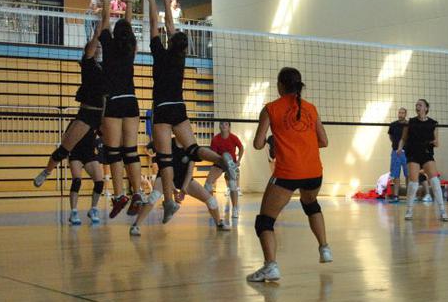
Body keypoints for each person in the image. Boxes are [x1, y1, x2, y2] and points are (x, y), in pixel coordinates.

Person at [141, 0, 237, 223]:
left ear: (171, 42)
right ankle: (221, 159)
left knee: (164, 159)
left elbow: (155, 25)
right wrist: (165, 0)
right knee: (193, 149)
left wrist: (152, 0)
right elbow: (169, 27)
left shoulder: (159, 53)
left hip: (162, 108)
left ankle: (169, 202)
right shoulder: (180, 57)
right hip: (179, 107)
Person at [247, 67, 331, 282]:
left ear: (280, 86)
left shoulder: (270, 109)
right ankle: (324, 249)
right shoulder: (311, 108)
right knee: (310, 204)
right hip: (314, 172)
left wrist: (277, 141)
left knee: (264, 221)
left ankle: (270, 266)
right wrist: (302, 143)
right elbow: (324, 141)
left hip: (287, 173)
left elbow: (258, 144)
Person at [34, 0, 108, 191]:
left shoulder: (108, 67)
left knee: (117, 150)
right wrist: (98, 30)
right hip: (87, 113)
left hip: (104, 115)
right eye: (96, 47)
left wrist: (106, 10)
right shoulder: (88, 63)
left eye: (100, 48)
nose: (98, 49)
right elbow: (94, 42)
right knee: (64, 149)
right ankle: (46, 171)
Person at [98, 0, 144, 218]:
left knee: (113, 152)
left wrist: (107, 4)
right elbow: (127, 28)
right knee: (131, 151)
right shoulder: (130, 47)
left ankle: (119, 195)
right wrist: (129, 4)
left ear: (115, 34)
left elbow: (105, 23)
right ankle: (138, 193)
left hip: (114, 102)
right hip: (132, 101)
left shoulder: (108, 44)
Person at [129, 139, 230, 236]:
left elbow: (189, 172)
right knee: (153, 197)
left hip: (183, 179)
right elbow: (164, 169)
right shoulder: (167, 144)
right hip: (165, 176)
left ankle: (219, 223)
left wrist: (183, 189)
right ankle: (135, 226)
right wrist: (173, 190)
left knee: (211, 201)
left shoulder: (191, 147)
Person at [396, 99, 448, 222]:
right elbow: (403, 139)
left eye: (420, 105)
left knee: (434, 180)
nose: (417, 107)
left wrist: (433, 142)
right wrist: (399, 148)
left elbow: (437, 143)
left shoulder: (433, 123)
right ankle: (409, 210)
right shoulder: (410, 122)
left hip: (426, 153)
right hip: (413, 153)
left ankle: (442, 211)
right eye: (416, 105)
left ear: (426, 108)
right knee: (413, 183)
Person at [65, 128, 105, 225]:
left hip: (89, 154)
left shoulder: (96, 124)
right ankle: (73, 212)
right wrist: (65, 151)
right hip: (75, 153)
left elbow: (104, 135)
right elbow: (65, 136)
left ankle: (93, 209)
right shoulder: (76, 122)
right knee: (77, 181)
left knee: (99, 182)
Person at [205, 121, 243, 219]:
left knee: (232, 185)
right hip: (219, 162)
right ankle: (213, 205)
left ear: (229, 127)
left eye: (226, 124)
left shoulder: (234, 138)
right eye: (221, 124)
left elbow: (241, 148)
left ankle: (235, 209)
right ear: (219, 126)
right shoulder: (215, 139)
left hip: (231, 163)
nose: (223, 126)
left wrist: (238, 161)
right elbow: (213, 155)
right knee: (208, 184)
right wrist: (222, 161)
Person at [386, 107, 408, 202]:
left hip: (407, 152)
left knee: (408, 175)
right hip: (395, 152)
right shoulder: (393, 125)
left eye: (402, 113)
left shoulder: (409, 124)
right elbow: (391, 137)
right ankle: (396, 196)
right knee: (396, 175)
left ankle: (409, 195)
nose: (400, 114)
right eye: (399, 112)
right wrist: (396, 146)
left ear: (405, 114)